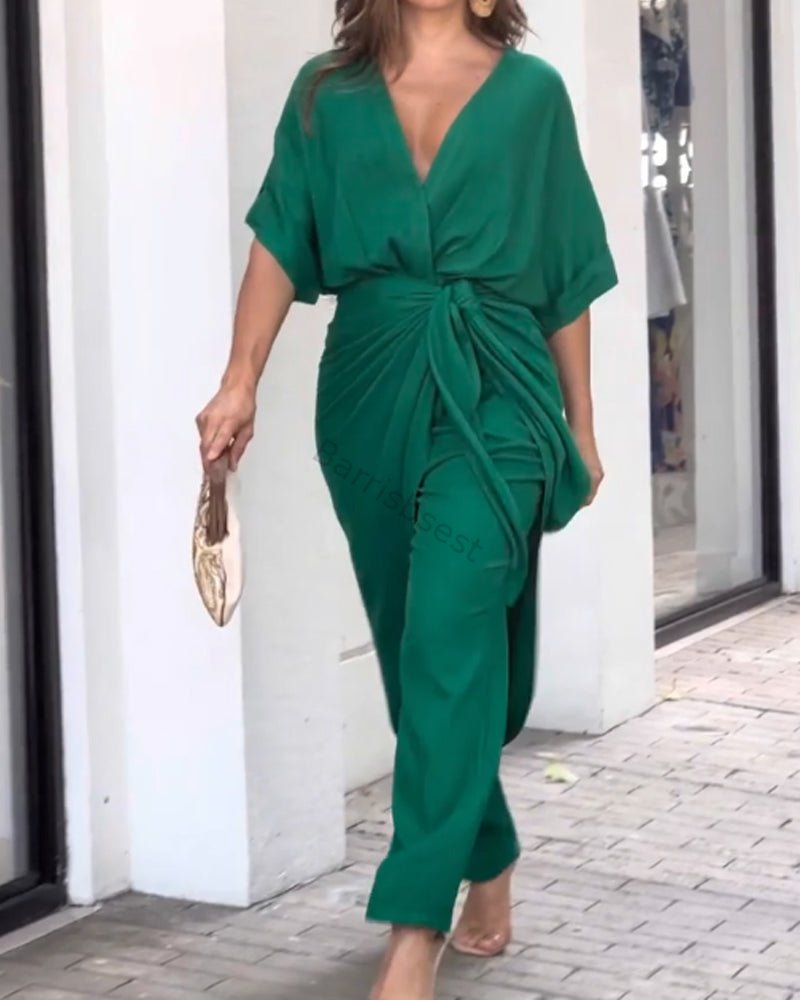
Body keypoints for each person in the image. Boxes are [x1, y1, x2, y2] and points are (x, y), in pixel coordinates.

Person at [196, 1, 618, 997]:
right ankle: (488, 849)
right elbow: (280, 239)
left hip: (500, 388)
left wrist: (581, 421)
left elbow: (563, 271)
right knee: (413, 650)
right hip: (369, 391)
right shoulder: (324, 95)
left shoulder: (533, 96)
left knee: (448, 632)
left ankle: (412, 930)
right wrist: (240, 378)